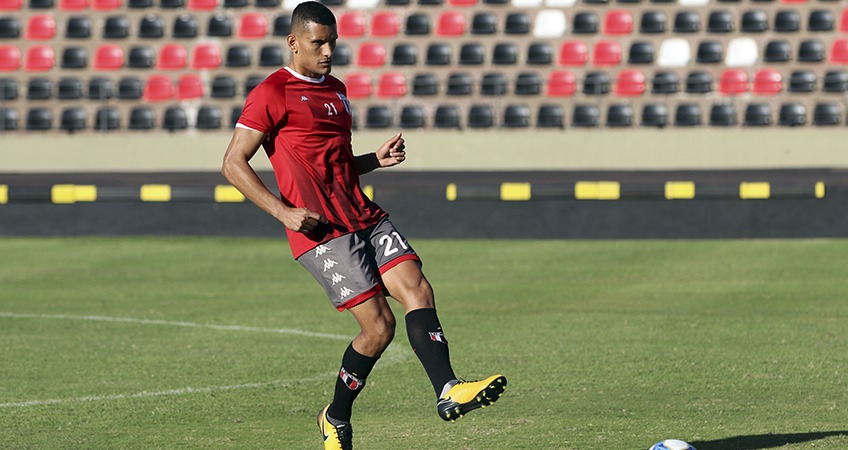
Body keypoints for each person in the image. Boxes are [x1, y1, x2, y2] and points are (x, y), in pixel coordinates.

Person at [221, 2, 506, 448]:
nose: (329, 50)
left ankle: (449, 390)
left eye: (333, 41)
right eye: (318, 43)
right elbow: (233, 163)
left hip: (363, 214)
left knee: (418, 289)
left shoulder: (337, 90)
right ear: (294, 43)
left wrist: (374, 160)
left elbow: (333, 165)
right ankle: (335, 417)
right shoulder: (271, 93)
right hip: (321, 231)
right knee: (378, 329)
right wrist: (283, 212)